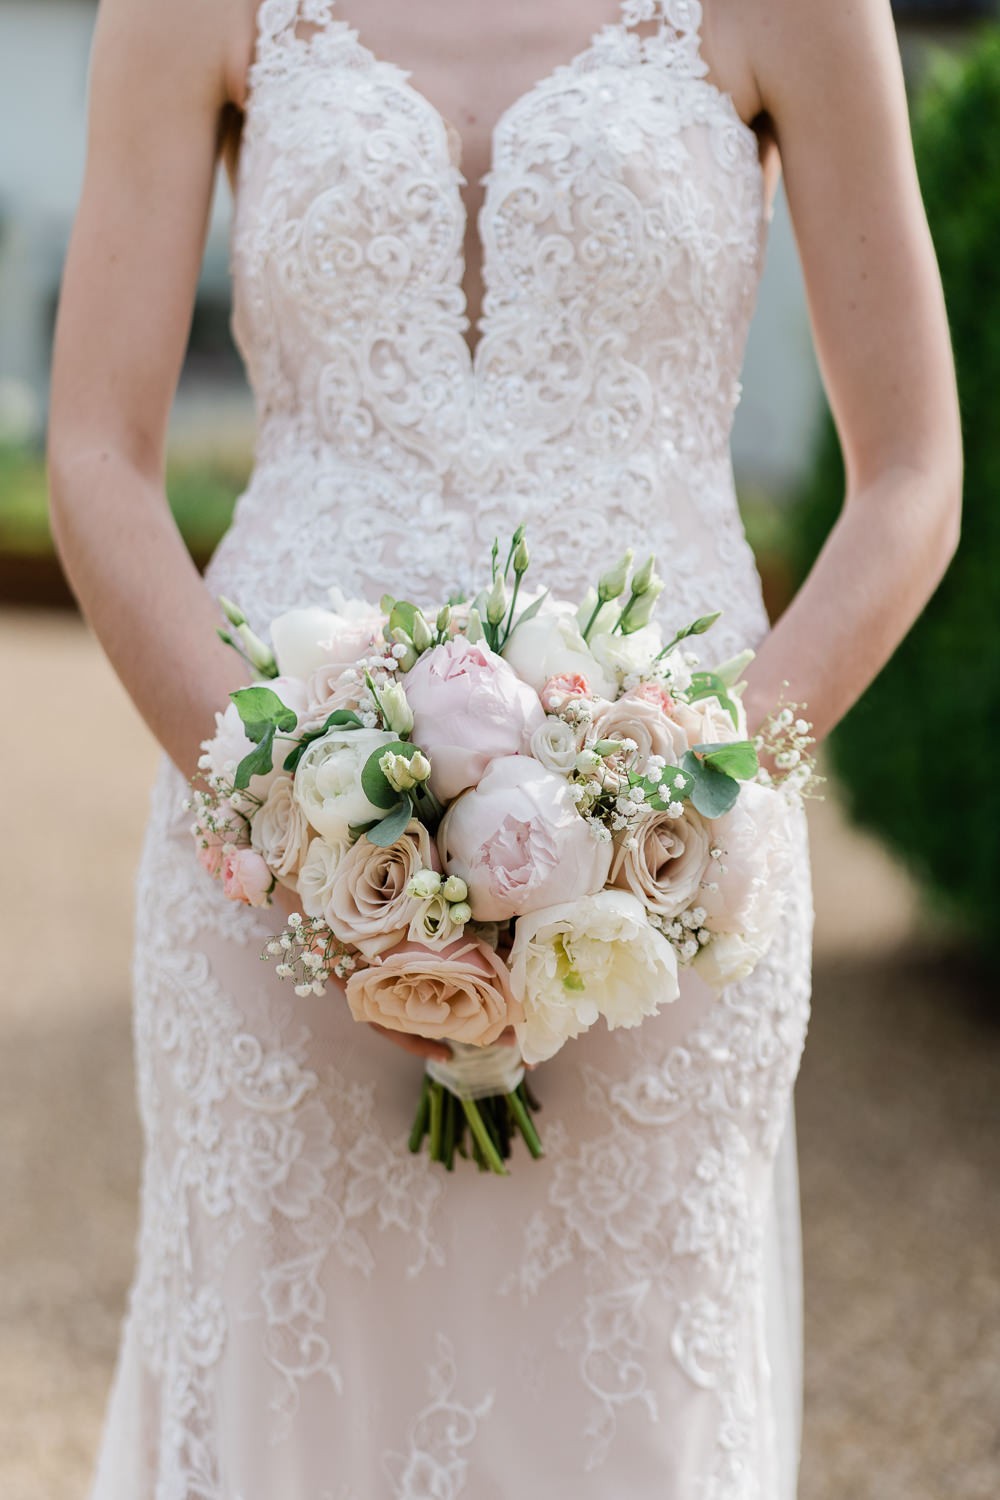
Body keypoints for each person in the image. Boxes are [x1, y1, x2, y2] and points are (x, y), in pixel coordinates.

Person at [47, 0, 961, 1495]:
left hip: (666, 898)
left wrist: (695, 803)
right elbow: (93, 454)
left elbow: (915, 477)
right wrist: (281, 822)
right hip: (271, 869)